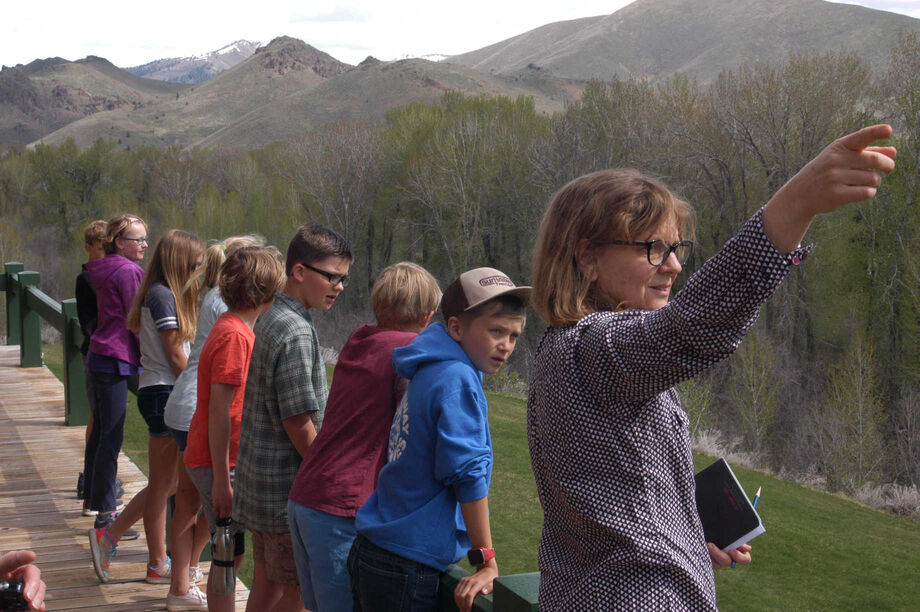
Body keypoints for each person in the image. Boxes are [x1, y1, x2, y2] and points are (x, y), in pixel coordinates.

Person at [526, 124, 897, 610]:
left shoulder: (572, 354)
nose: (674, 267)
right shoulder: (592, 350)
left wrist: (685, 532)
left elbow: (604, 513)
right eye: (652, 249)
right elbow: (695, 327)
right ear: (587, 256)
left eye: (677, 249)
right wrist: (797, 203)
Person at [350, 267, 530, 612]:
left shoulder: (430, 368)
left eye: (514, 335)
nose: (506, 346)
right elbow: (468, 475)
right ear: (457, 328)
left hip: (375, 551)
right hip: (407, 563)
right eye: (496, 331)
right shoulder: (457, 378)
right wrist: (486, 561)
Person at [288, 262, 441, 612]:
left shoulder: (360, 341)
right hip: (340, 506)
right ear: (427, 316)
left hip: (306, 495)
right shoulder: (407, 354)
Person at [233, 223, 352, 612]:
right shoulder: (296, 330)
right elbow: (298, 421)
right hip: (286, 487)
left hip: (261, 483)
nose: (338, 287)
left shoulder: (272, 315)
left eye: (343, 279)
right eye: (331, 277)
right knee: (297, 590)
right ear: (299, 272)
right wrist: (329, 474)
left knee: (268, 582)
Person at [90, 229, 204, 584]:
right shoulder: (163, 296)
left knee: (166, 484)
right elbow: (174, 355)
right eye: (196, 262)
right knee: (164, 485)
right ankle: (116, 540)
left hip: (162, 390)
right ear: (180, 261)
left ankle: (153, 561)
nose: (199, 269)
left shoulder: (159, 293)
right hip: (167, 392)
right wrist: (201, 391)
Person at [164, 235, 266, 610]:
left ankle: (183, 585)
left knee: (215, 533)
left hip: (200, 435)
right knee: (223, 543)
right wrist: (224, 478)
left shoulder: (225, 316)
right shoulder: (235, 329)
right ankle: (195, 591)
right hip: (212, 442)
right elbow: (224, 407)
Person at [183, 246, 285, 612]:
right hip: (218, 463)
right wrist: (222, 481)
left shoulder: (233, 328)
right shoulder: (234, 337)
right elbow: (220, 411)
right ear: (263, 292)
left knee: (232, 550)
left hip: (217, 460)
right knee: (228, 552)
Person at [82, 214, 147, 525]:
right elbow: (136, 321)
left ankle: (94, 499)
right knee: (112, 436)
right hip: (115, 357)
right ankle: (106, 512)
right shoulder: (128, 272)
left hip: (98, 354)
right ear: (119, 243)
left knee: (100, 433)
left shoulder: (102, 269)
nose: (145, 244)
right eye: (138, 239)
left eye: (146, 238)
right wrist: (150, 354)